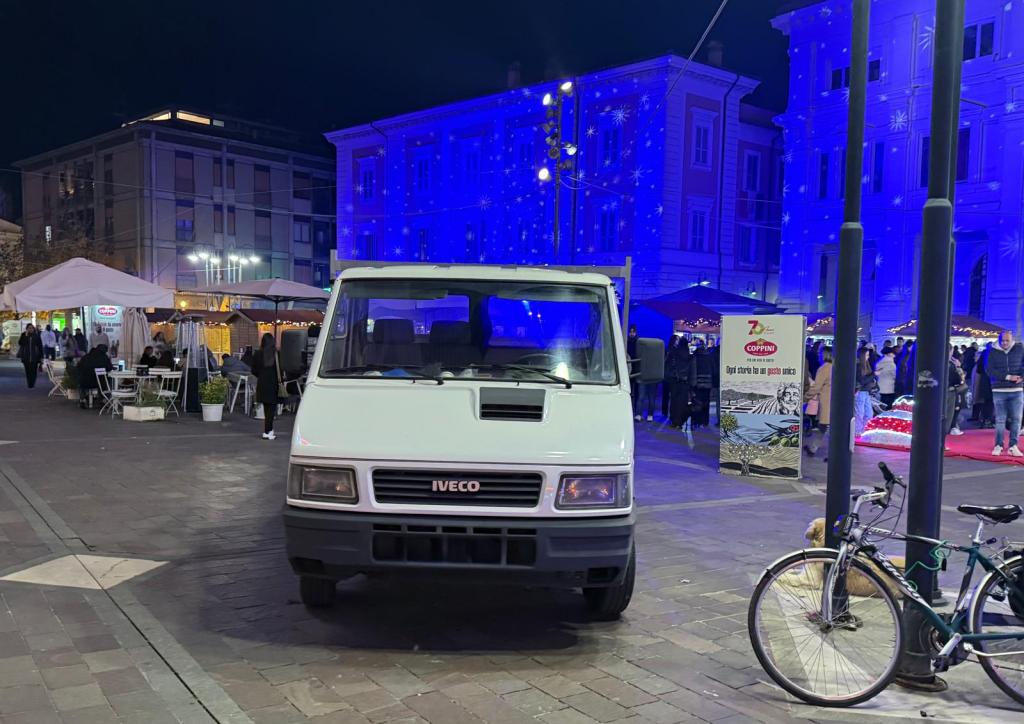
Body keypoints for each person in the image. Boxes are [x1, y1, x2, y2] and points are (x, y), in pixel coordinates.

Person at [987, 330, 1024, 456]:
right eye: (1002, 340)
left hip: (1017, 390)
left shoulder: (1020, 349)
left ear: (1011, 339)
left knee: (1016, 419)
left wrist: (1021, 377)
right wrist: (1008, 377)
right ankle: (998, 445)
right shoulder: (992, 351)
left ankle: (1013, 446)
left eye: (1007, 340)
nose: (1004, 343)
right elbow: (989, 370)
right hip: (999, 390)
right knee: (1000, 420)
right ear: (999, 340)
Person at [804, 346, 833, 458]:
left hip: (826, 401)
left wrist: (805, 397)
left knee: (827, 427)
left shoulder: (824, 369)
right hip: (834, 401)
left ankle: (832, 454)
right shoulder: (836, 367)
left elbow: (816, 387)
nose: (819, 356)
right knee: (823, 427)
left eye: (821, 354)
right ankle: (813, 449)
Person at [251, 333, 279, 440]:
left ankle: (268, 431)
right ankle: (268, 431)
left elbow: (253, 370)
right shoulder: (276, 354)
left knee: (266, 408)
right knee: (271, 409)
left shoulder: (258, 354)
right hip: (273, 384)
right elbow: (280, 370)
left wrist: (260, 375)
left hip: (262, 383)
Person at [664, 336, 693, 429]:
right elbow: (690, 370)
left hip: (674, 380)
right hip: (684, 382)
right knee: (682, 402)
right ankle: (680, 422)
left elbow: (669, 365)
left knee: (674, 401)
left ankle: (674, 421)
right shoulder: (689, 356)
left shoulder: (674, 353)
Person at [690, 344, 715, 429]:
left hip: (697, 384)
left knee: (696, 403)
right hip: (708, 385)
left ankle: (696, 421)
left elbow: (693, 371)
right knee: (706, 403)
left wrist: (692, 385)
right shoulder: (709, 358)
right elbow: (713, 370)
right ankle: (705, 421)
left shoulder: (695, 358)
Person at [854, 348, 876, 435]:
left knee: (868, 413)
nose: (868, 357)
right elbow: (862, 380)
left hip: (866, 392)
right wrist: (874, 375)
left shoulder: (866, 365)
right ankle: (858, 432)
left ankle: (863, 431)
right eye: (867, 355)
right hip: (860, 392)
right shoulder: (858, 366)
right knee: (860, 413)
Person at [973, 342, 995, 427]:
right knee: (992, 401)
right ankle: (989, 420)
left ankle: (985, 419)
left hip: (984, 380)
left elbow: (979, 369)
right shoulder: (996, 354)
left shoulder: (984, 354)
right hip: (993, 380)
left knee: (986, 401)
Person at [17, 324, 44, 389]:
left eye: (31, 328)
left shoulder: (36, 336)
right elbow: (20, 343)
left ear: (33, 329)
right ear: (27, 329)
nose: (30, 329)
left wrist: (41, 357)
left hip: (35, 357)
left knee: (34, 371)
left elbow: (40, 346)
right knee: (28, 371)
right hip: (26, 357)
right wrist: (25, 336)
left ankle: (32, 383)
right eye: (29, 328)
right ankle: (29, 384)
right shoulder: (24, 335)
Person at [627, 325, 639, 420]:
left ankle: (635, 409)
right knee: (630, 390)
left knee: (636, 391)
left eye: (633, 331)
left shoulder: (636, 342)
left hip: (635, 368)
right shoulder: (629, 341)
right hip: (630, 368)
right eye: (631, 331)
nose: (632, 333)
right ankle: (631, 408)